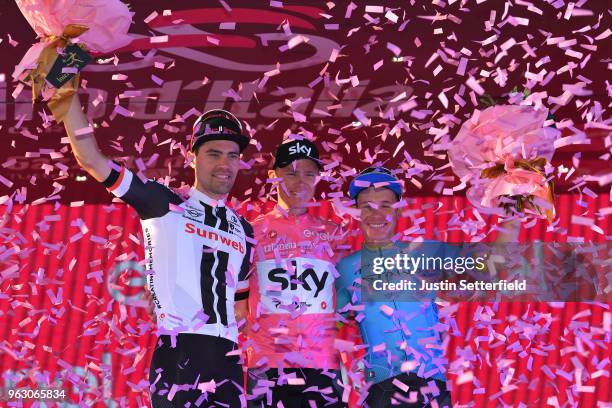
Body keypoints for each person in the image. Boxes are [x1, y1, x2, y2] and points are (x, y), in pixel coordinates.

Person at [60, 95, 254, 407]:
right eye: (213, 153)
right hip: (181, 354)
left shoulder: (245, 229)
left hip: (229, 359)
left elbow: (242, 307)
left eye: (232, 155)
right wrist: (66, 99)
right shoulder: (164, 201)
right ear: (192, 157)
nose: (224, 163)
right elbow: (91, 160)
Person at [336, 167, 522, 407]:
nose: (376, 214)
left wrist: (513, 217)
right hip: (380, 389)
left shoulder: (426, 251)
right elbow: (329, 329)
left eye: (385, 205)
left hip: (432, 385)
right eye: (366, 206)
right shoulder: (346, 268)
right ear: (356, 212)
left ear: (399, 209)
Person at [243, 139, 347, 407]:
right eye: (290, 172)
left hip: (323, 363)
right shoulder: (250, 232)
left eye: (308, 173)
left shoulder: (334, 233)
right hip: (267, 363)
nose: (299, 181)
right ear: (273, 176)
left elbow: (350, 297)